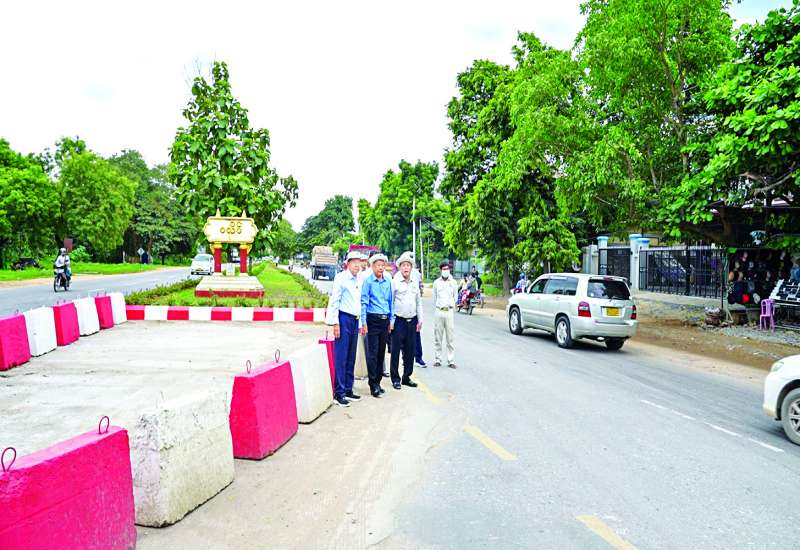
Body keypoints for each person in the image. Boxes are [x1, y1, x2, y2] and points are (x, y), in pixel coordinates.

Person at [326, 251, 364, 407]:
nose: (357, 265)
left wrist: (360, 324)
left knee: (351, 356)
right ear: (348, 264)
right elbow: (335, 301)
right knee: (341, 357)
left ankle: (348, 389)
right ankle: (339, 393)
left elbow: (359, 303)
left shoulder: (359, 279)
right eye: (354, 262)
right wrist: (335, 323)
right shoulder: (341, 278)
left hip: (355, 320)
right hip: (343, 319)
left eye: (359, 262)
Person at [361, 253, 393, 397]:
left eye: (382, 265)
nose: (380, 268)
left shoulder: (387, 282)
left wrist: (391, 320)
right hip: (372, 320)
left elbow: (390, 302)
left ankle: (378, 382)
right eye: (378, 265)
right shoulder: (368, 282)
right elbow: (364, 302)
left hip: (384, 320)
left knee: (381, 353)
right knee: (372, 354)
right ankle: (373, 384)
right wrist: (363, 322)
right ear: (373, 266)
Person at [390, 252, 422, 390]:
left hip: (412, 320)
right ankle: (395, 378)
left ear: (411, 268)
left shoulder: (415, 283)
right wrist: (391, 321)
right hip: (398, 321)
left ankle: (406, 377)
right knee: (395, 351)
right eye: (403, 265)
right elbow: (391, 302)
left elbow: (418, 302)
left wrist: (420, 319)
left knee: (410, 351)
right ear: (400, 267)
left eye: (408, 265)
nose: (405, 268)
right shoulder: (395, 282)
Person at [432, 260, 458, 369]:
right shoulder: (436, 283)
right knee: (438, 336)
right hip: (439, 311)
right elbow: (434, 298)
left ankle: (450, 360)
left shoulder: (453, 283)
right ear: (441, 270)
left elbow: (456, 297)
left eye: (447, 269)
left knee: (450, 337)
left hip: (449, 311)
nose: (446, 271)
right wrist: (438, 307)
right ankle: (438, 359)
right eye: (444, 269)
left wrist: (451, 306)